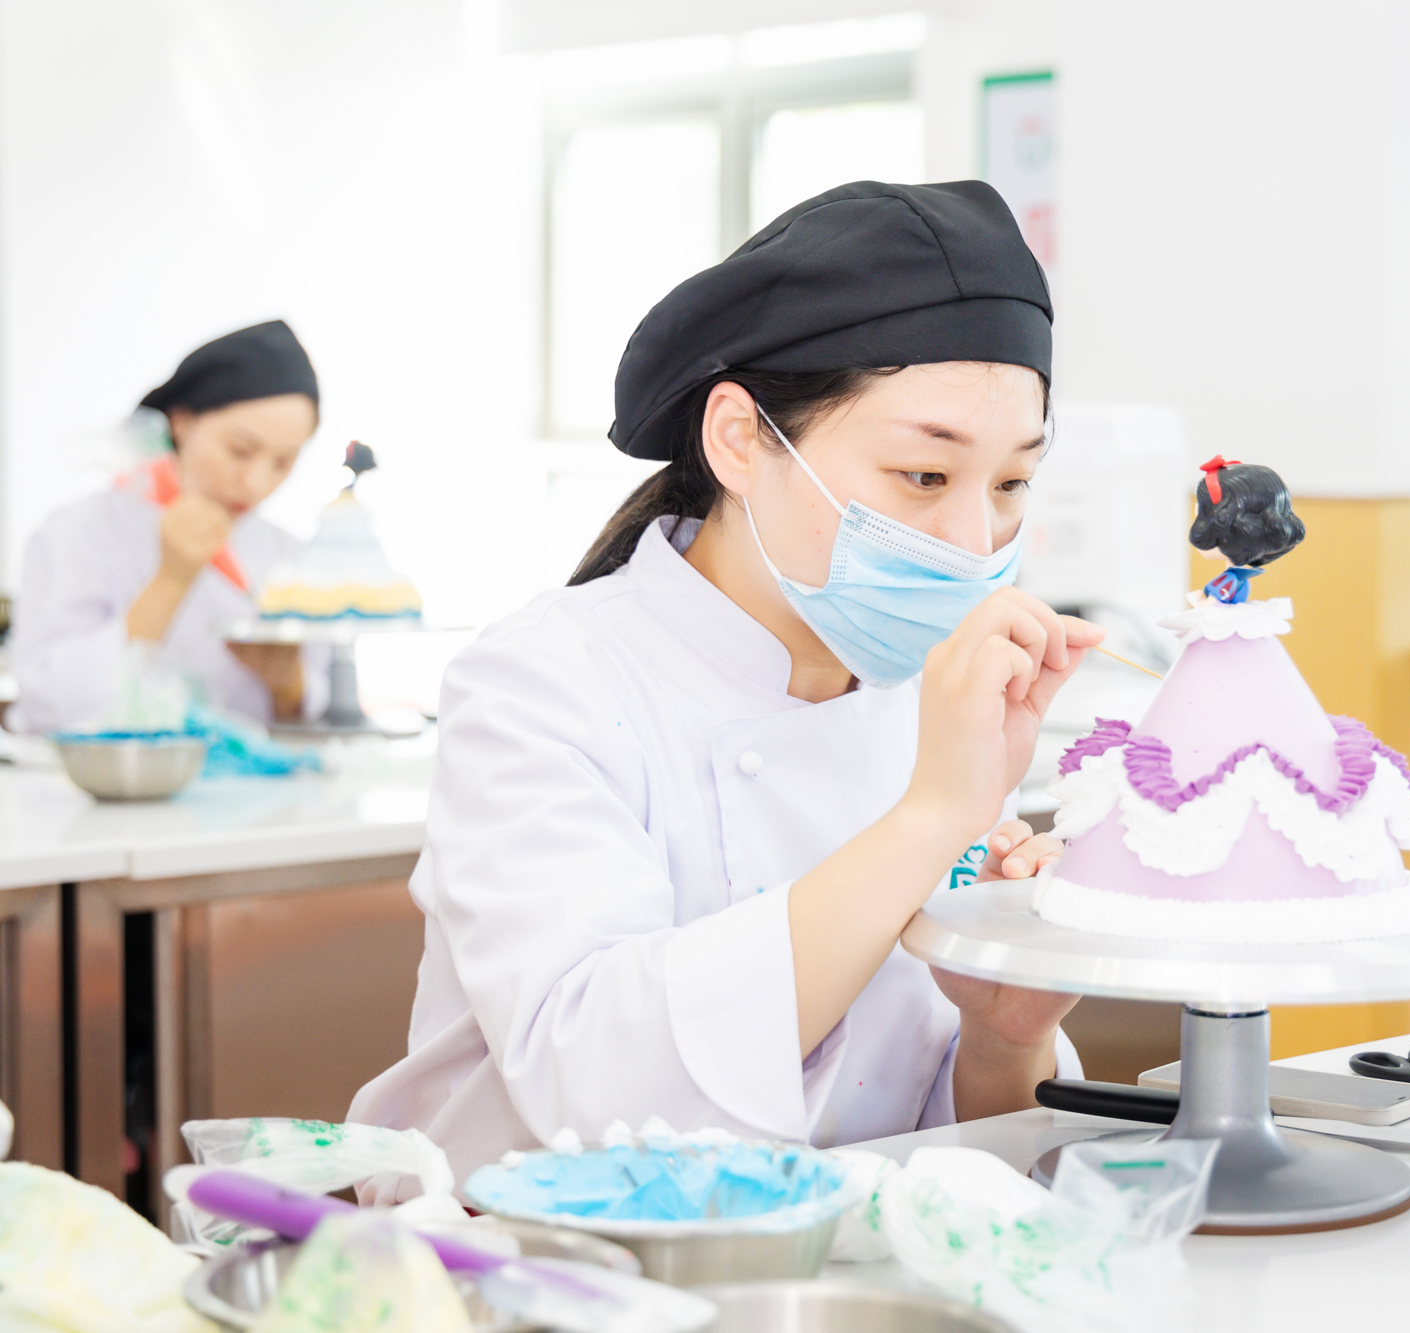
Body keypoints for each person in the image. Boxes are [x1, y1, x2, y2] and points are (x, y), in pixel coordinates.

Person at [349, 181, 1104, 1191]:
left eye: (1010, 484)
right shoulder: (543, 683)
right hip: (541, 1259)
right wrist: (931, 816)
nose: (974, 543)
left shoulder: (926, 703)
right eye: (923, 477)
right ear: (740, 439)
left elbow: (943, 1157)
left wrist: (1003, 1034)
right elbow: (598, 1091)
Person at [9, 320, 326, 731]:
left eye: (283, 462)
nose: (256, 483)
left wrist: (290, 685)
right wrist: (171, 580)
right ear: (181, 422)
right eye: (240, 451)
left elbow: (325, 712)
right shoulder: (77, 533)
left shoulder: (285, 553)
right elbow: (49, 703)